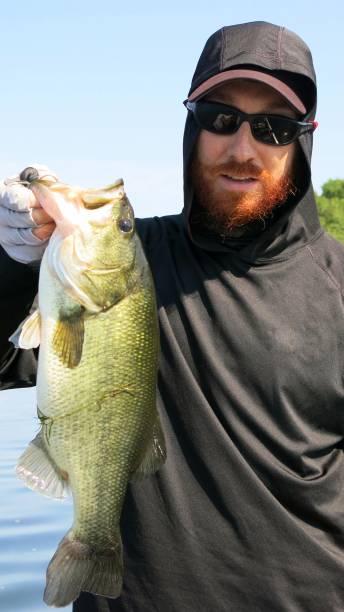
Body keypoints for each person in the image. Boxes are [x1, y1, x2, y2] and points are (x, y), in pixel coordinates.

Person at [1, 20, 344, 612]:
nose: (243, 148)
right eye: (220, 118)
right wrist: (9, 264)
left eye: (273, 128)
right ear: (192, 127)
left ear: (303, 142)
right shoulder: (133, 263)